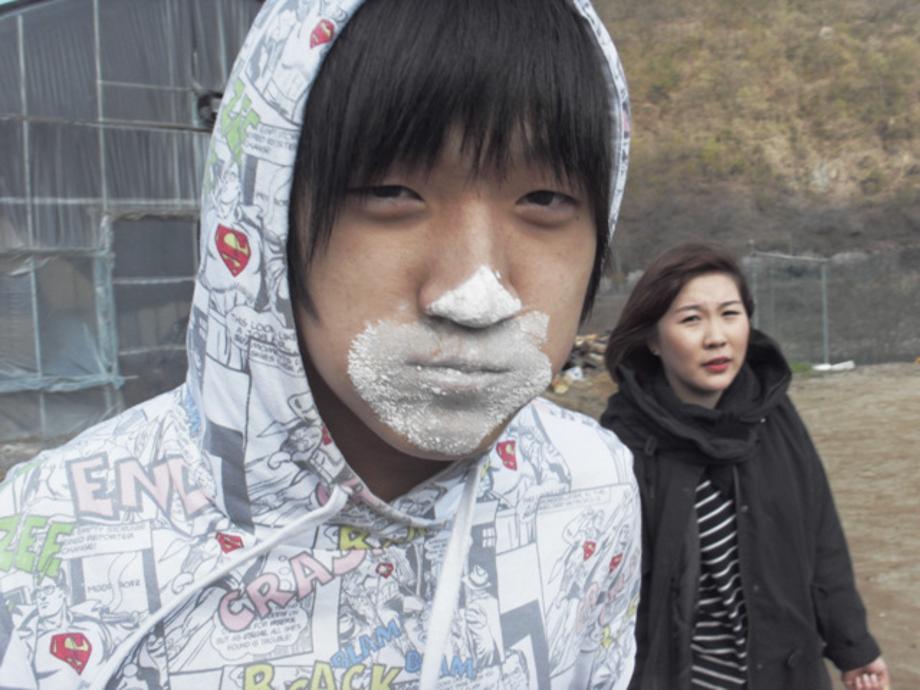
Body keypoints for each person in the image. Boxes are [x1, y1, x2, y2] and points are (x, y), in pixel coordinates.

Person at [0, 0, 641, 687]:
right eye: (392, 191)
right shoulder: (49, 546)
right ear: (266, 210)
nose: (476, 296)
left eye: (544, 200)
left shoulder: (590, 485)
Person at [600, 242, 890, 690]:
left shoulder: (773, 415)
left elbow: (822, 538)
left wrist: (855, 648)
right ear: (653, 339)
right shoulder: (621, 445)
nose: (716, 337)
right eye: (691, 319)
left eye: (730, 314)